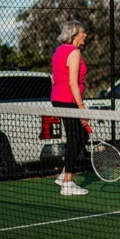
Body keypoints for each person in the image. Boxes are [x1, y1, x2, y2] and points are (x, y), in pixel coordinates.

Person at [51, 21, 90, 196]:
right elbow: (73, 83)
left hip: (59, 99)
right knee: (74, 140)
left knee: (83, 136)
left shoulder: (58, 51)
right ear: (75, 36)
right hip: (69, 100)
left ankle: (63, 175)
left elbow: (54, 79)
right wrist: (81, 107)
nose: (85, 35)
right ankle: (67, 184)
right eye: (83, 32)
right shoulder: (74, 53)